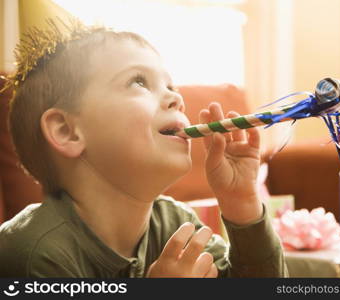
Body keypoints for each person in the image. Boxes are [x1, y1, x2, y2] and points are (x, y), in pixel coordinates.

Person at [0, 19, 287, 277]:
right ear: (67, 131)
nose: (177, 98)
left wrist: (242, 205)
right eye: (139, 81)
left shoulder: (175, 225)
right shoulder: (33, 254)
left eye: (170, 85)